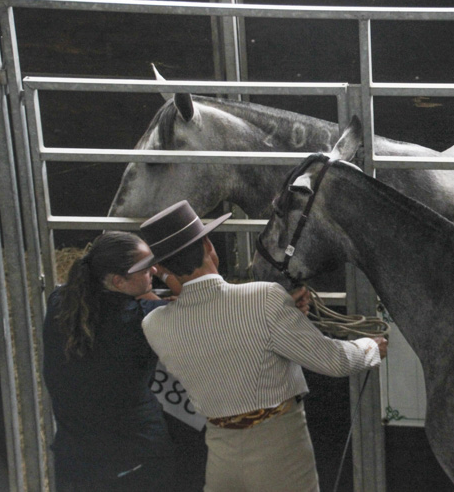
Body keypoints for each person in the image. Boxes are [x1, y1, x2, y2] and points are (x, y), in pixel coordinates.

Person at [134, 200, 388, 492]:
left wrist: (280, 316)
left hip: (220, 453)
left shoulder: (153, 325)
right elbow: (334, 361)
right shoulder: (264, 298)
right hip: (280, 450)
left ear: (162, 267)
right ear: (208, 245)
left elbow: (212, 327)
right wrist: (371, 347)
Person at [42, 231, 177, 491]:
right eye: (146, 267)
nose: (154, 270)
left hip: (75, 462)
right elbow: (189, 303)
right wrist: (164, 279)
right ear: (118, 280)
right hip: (137, 458)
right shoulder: (145, 320)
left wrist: (141, 284)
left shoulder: (60, 303)